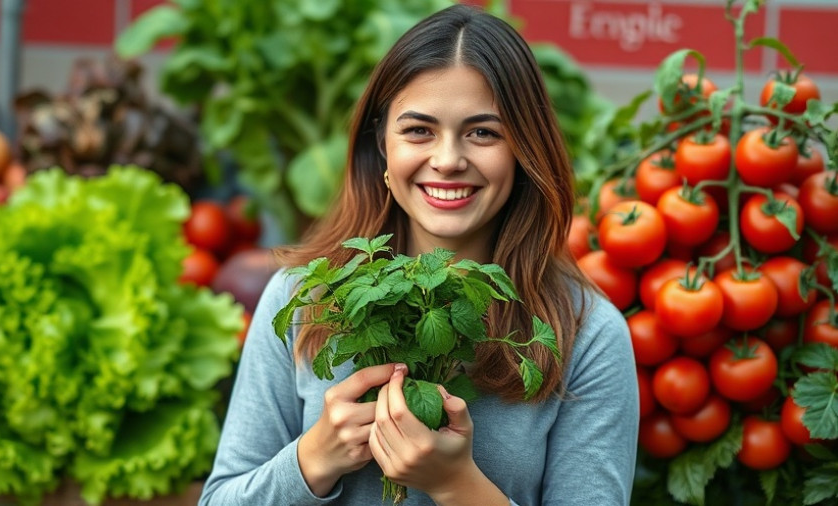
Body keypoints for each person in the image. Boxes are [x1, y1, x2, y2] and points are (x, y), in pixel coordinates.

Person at [198, 4, 638, 505]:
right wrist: (313, 458)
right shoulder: (304, 298)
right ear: (382, 143)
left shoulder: (586, 333)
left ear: (523, 150)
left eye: (483, 132)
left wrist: (458, 486)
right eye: (418, 130)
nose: (448, 160)